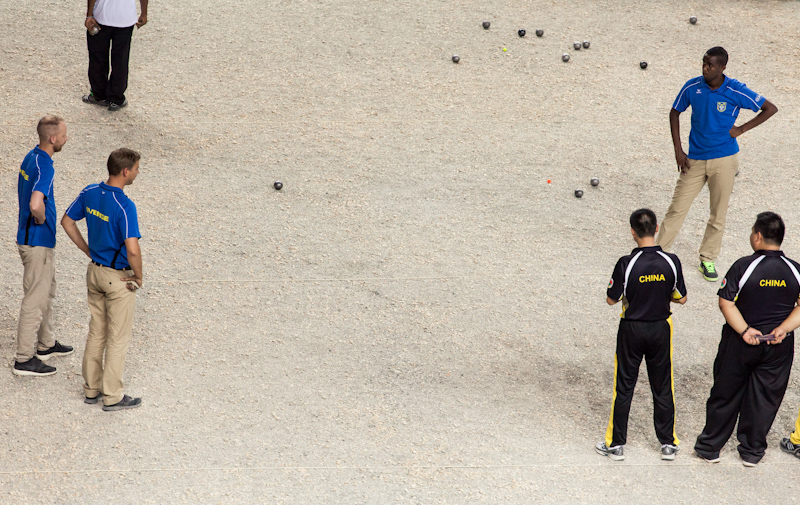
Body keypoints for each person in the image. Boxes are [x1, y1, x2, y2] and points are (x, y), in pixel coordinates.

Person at [656, 46, 778, 282]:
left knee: (718, 213)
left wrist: (741, 129)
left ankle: (708, 259)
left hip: (724, 160)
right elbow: (674, 113)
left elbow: (769, 108)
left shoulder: (735, 90)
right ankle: (658, 256)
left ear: (722, 67)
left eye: (710, 65)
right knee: (677, 208)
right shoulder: (692, 87)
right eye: (703, 63)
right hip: (694, 160)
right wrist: (678, 150)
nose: (705, 68)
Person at [695, 212, 800, 466]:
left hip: (740, 343)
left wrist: (744, 330)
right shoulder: (795, 270)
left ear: (758, 236)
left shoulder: (743, 266)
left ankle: (710, 448)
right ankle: (752, 452)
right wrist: (784, 328)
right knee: (765, 398)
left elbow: (726, 302)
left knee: (725, 392)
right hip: (778, 345)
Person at [596, 209, 687, 461]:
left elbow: (611, 300)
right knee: (663, 385)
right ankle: (668, 444)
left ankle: (615, 445)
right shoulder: (672, 261)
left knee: (624, 386)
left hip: (631, 329)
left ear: (632, 232)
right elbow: (681, 298)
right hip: (661, 328)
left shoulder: (626, 263)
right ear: (656, 229)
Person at [61, 148, 144, 411]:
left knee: (97, 331)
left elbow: (67, 221)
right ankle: (113, 396)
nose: (138, 173)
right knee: (117, 337)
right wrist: (138, 275)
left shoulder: (90, 192)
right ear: (125, 171)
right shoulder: (125, 206)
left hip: (94, 272)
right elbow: (132, 249)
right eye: (137, 169)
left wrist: (87, 250)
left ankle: (91, 388)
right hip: (116, 277)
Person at [13, 116, 74, 377]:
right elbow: (36, 203)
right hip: (37, 243)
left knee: (47, 291)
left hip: (30, 239)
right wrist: (40, 219)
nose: (66, 138)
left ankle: (46, 344)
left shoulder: (31, 157)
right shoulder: (46, 167)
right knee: (35, 300)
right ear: (53, 138)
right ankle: (24, 359)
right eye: (64, 135)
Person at [82, 0, 149, 111]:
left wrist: (89, 15)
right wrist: (144, 13)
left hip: (102, 16)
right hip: (126, 18)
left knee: (98, 57)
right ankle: (116, 98)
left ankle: (99, 95)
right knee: (121, 60)